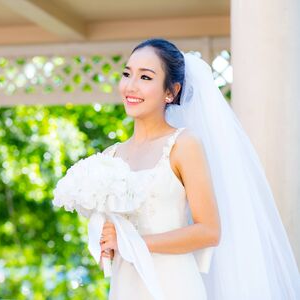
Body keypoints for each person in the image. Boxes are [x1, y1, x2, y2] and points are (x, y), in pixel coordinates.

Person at [98, 38, 300, 299]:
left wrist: (133, 244)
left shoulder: (183, 145)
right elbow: (113, 236)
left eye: (145, 77)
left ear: (171, 91)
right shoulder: (111, 156)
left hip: (173, 285)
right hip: (126, 285)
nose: (131, 85)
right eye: (127, 73)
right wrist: (105, 241)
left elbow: (209, 231)